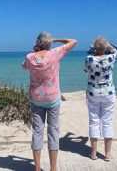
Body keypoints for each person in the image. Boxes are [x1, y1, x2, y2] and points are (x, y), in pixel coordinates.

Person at [22, 32, 77, 171]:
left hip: (36, 99)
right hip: (53, 99)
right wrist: (57, 40)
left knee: (37, 132)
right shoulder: (55, 53)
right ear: (49, 43)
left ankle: (37, 168)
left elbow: (24, 67)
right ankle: (53, 168)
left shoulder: (30, 57)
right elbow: (73, 41)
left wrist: (36, 51)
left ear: (37, 44)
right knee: (53, 132)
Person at [84, 36, 117, 161]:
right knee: (107, 121)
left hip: (93, 92)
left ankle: (93, 153)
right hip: (108, 92)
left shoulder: (89, 59)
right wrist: (109, 46)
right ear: (105, 48)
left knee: (94, 121)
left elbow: (85, 70)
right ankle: (107, 154)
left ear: (94, 48)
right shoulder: (111, 58)